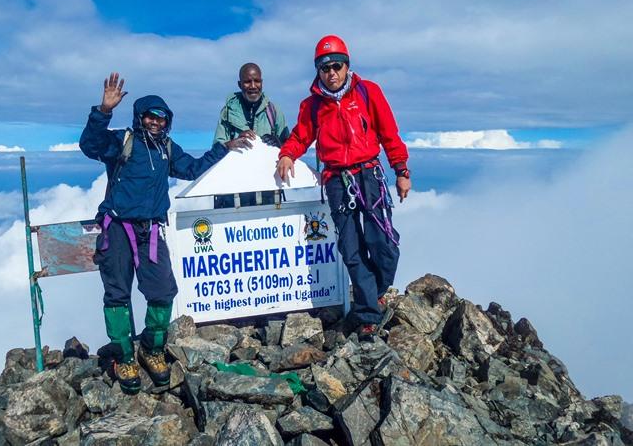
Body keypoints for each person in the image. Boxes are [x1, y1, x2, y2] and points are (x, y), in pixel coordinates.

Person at [80, 73, 251, 394]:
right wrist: (103, 111)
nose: (157, 122)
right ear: (139, 117)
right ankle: (124, 357)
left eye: (162, 118)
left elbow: (192, 168)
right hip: (116, 228)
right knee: (117, 295)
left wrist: (224, 148)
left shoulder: (167, 150)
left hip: (151, 232)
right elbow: (89, 145)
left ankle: (152, 348)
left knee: (163, 291)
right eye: (151, 116)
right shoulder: (122, 142)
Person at [276, 35, 412, 339]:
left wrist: (401, 170)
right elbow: (301, 136)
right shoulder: (312, 106)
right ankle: (367, 314)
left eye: (336, 65)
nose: (331, 73)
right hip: (337, 181)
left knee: (383, 245)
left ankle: (374, 292)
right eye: (324, 68)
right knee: (351, 250)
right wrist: (287, 153)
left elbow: (389, 133)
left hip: (369, 176)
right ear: (318, 71)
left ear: (347, 65)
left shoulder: (368, 92)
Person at [213, 62, 289, 208]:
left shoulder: (274, 112)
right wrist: (232, 143)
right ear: (239, 84)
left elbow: (290, 146)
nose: (253, 86)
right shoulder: (227, 113)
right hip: (234, 190)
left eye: (257, 81)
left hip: (268, 188)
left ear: (262, 82)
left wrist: (278, 142)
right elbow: (216, 147)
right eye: (247, 81)